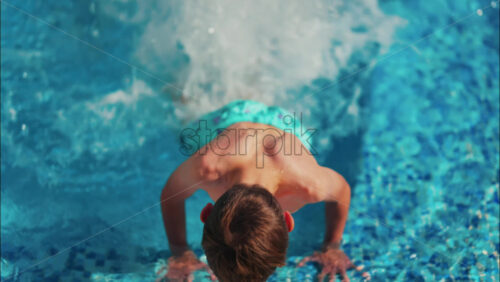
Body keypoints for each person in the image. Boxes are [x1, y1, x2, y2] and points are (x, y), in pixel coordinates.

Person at [159, 100, 367, 281]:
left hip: (283, 127)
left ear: (288, 220)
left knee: (184, 129)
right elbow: (170, 194)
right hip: (234, 124)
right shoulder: (208, 168)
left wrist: (332, 245)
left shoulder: (307, 184)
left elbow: (342, 190)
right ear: (287, 221)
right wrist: (179, 251)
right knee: (183, 120)